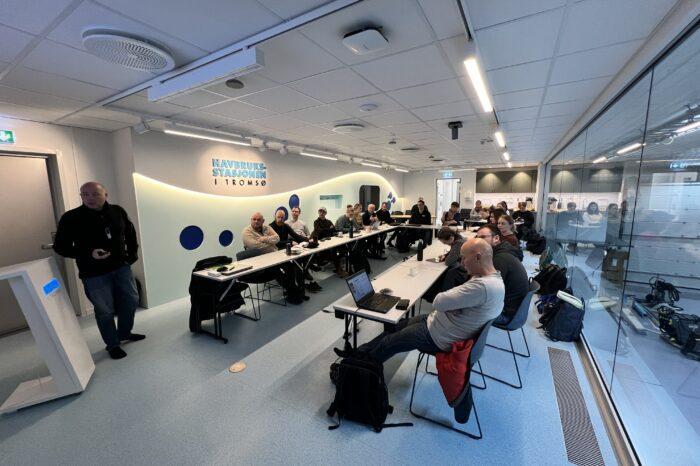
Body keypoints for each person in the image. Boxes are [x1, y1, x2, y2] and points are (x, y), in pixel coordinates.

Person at [337, 238, 504, 363]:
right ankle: (358, 353)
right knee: (395, 327)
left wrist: (451, 303)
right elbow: (447, 303)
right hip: (441, 323)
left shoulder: (482, 287)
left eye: (463, 258)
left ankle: (355, 366)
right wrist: (454, 304)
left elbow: (439, 301)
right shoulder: (494, 279)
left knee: (388, 343)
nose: (461, 263)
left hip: (439, 337)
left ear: (477, 257)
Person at [53, 181, 143, 360]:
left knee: (131, 301)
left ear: (105, 194)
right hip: (93, 273)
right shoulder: (71, 218)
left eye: (95, 194)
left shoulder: (117, 211)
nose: (89, 198)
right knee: (105, 310)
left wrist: (131, 255)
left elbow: (130, 233)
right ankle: (113, 344)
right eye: (85, 194)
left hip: (121, 267)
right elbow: (60, 247)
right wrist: (88, 253)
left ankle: (124, 333)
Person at [476, 225, 528, 325]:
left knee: (462, 312)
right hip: (512, 309)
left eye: (482, 237)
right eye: (477, 238)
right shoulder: (503, 251)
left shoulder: (500, 259)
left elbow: (487, 290)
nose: (478, 241)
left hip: (506, 314)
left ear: (496, 238)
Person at [270, 209, 321, 293]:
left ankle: (300, 287)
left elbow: (295, 235)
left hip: (286, 250)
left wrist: (308, 240)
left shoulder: (285, 225)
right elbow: (276, 242)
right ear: (275, 216)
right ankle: (293, 288)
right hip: (276, 252)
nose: (280, 219)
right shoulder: (271, 227)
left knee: (300, 262)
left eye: (282, 217)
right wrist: (290, 242)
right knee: (293, 266)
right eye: (278, 217)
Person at [312, 207, 347, 277]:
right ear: (318, 212)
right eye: (320, 211)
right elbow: (320, 232)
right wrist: (329, 229)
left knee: (343, 246)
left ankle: (341, 264)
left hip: (330, 240)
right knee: (333, 250)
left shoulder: (329, 221)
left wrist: (327, 230)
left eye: (323, 212)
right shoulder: (316, 222)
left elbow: (333, 230)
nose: (321, 213)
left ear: (326, 213)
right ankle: (338, 269)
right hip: (322, 242)